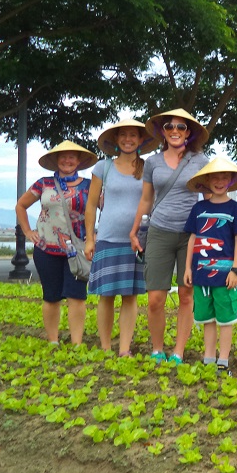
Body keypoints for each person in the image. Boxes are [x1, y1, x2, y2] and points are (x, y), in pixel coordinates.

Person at [130, 108, 209, 364]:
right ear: (163, 132)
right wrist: (134, 231)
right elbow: (146, 199)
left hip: (191, 234)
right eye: (169, 127)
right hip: (159, 230)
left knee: (187, 294)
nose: (175, 131)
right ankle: (157, 348)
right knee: (155, 298)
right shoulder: (152, 162)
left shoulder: (200, 161)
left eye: (181, 127)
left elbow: (209, 197)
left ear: (189, 132)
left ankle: (179, 351)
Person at [84, 119, 159, 356]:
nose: (128, 139)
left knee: (130, 296)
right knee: (106, 295)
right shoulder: (103, 167)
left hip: (136, 241)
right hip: (107, 238)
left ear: (141, 140)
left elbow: (153, 202)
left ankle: (124, 349)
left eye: (133, 135)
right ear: (116, 140)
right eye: (123, 135)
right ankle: (106, 347)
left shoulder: (149, 168)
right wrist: (89, 239)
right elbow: (91, 205)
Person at [15, 140, 98, 345]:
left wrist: (95, 237)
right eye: (63, 156)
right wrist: (27, 231)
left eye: (72, 156)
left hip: (77, 250)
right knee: (50, 296)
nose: (67, 160)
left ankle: (77, 342)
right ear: (56, 160)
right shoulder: (43, 183)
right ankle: (53, 341)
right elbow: (21, 205)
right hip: (46, 249)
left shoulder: (89, 186)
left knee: (77, 296)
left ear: (79, 161)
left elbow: (104, 206)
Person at [183, 157, 237, 374]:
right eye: (215, 177)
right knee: (206, 318)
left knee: (226, 319)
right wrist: (187, 268)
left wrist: (236, 269)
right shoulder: (199, 208)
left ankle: (223, 361)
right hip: (201, 275)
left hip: (225, 276)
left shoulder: (235, 208)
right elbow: (193, 238)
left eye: (224, 177)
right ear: (207, 180)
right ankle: (209, 359)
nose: (220, 181)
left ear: (230, 180)